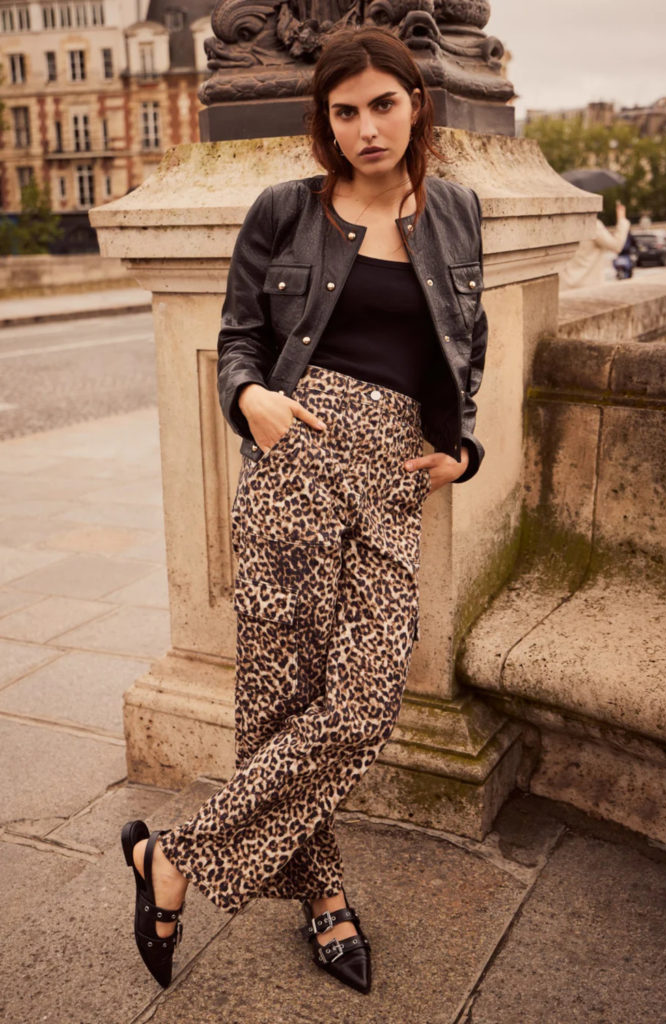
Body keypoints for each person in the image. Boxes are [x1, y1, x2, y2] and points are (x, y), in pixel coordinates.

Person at [121, 25, 488, 998]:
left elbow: (464, 340)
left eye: (383, 103)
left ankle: (175, 857)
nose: (367, 127)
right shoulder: (284, 210)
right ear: (323, 121)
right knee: (280, 706)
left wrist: (463, 448)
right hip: (295, 463)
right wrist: (249, 400)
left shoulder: (456, 212)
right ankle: (324, 902)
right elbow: (238, 334)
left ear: (415, 103)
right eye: (345, 110)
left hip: (393, 479)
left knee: (362, 705)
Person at [559, 200, 631, 290]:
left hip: (565, 285)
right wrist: (622, 219)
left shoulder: (563, 223)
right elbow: (617, 246)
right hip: (589, 285)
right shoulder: (592, 224)